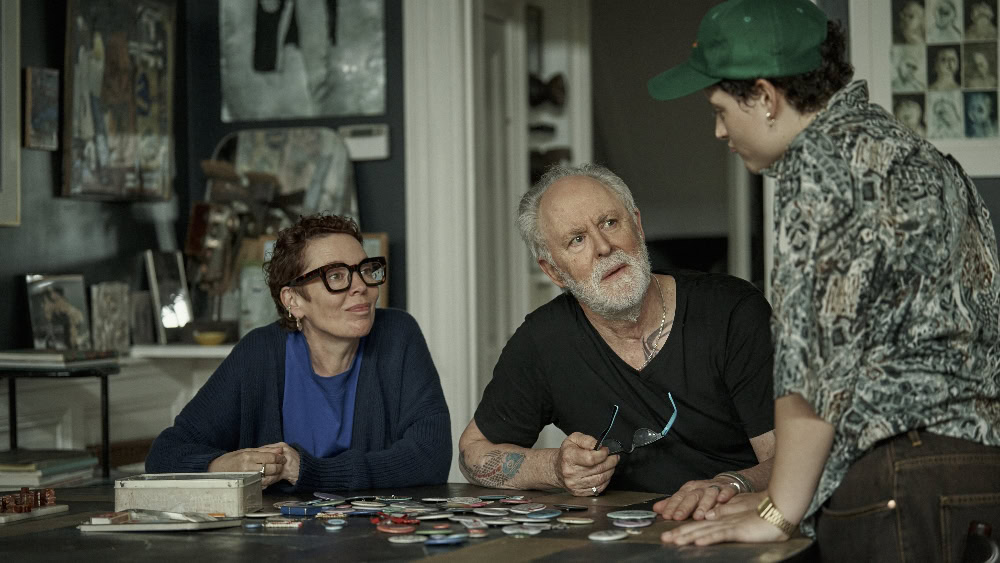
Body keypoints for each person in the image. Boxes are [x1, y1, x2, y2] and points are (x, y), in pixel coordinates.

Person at [647, 0, 1000, 559]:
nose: (718, 131)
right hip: (972, 466)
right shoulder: (907, 150)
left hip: (897, 478)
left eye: (720, 110)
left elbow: (813, 367)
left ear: (765, 96)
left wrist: (778, 511)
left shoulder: (820, 166)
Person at [459, 163, 776, 522]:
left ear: (637, 225)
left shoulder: (731, 311)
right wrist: (555, 468)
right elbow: (472, 453)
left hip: (737, 526)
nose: (603, 247)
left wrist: (732, 484)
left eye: (610, 223)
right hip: (619, 536)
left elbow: (795, 460)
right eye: (577, 240)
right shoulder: (543, 340)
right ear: (553, 271)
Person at [146, 214, 451, 491]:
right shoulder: (259, 353)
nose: (361, 286)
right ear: (293, 300)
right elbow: (165, 455)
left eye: (366, 270)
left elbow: (431, 457)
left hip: (378, 531)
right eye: (336, 276)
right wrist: (219, 467)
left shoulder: (398, 335)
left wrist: (309, 472)